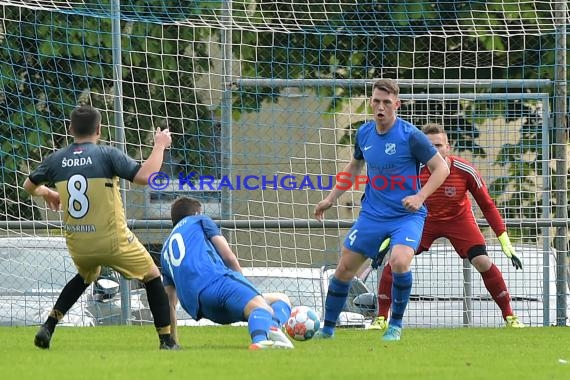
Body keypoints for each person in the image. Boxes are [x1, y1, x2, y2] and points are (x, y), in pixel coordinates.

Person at [23, 105, 178, 350]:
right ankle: (167, 341)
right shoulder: (107, 154)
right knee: (152, 276)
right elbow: (146, 177)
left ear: (70, 129)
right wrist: (160, 145)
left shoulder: (56, 159)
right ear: (99, 129)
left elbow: (28, 186)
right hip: (112, 239)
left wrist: (48, 192)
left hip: (79, 243)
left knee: (87, 275)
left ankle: (48, 326)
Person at [313, 79, 450, 341]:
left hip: (405, 216)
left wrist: (420, 196)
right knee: (344, 269)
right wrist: (330, 198)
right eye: (376, 101)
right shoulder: (364, 133)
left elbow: (441, 168)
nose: (380, 107)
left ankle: (395, 325)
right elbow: (353, 168)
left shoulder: (411, 136)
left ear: (396, 105)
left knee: (399, 262)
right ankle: (327, 329)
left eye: (387, 102)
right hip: (372, 216)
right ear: (371, 103)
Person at [367, 123, 525, 330]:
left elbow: (487, 205)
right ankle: (380, 319)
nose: (436, 150)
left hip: (459, 220)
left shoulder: (465, 170)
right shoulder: (411, 171)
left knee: (482, 261)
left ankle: (510, 316)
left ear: (448, 147)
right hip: (423, 221)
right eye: (430, 146)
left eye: (439, 145)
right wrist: (385, 242)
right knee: (395, 261)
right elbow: (395, 209)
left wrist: (505, 241)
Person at [160, 196, 294, 350]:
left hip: (202, 308)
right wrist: (246, 287)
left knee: (281, 299)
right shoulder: (199, 220)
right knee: (261, 308)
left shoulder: (165, 250)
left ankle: (272, 326)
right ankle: (261, 340)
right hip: (217, 282)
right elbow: (228, 256)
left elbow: (169, 303)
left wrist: (173, 341)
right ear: (196, 213)